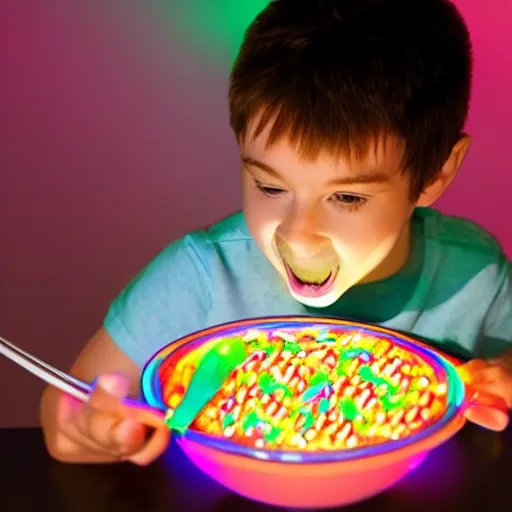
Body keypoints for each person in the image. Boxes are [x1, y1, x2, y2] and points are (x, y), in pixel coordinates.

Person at [40, 0, 512, 466]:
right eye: (270, 186)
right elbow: (68, 413)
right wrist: (90, 430)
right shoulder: (199, 277)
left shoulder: (478, 275)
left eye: (347, 198)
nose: (298, 234)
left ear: (434, 174)